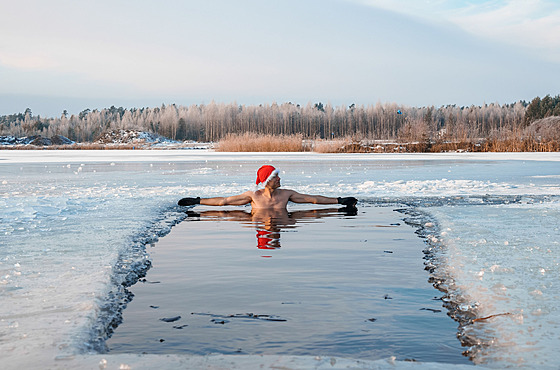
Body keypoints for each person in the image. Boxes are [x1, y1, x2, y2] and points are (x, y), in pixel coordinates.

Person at [178, 165, 357, 209]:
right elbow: (224, 201)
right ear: (266, 181)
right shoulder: (253, 196)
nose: (279, 179)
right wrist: (198, 200)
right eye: (275, 176)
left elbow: (313, 200)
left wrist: (339, 201)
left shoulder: (287, 194)